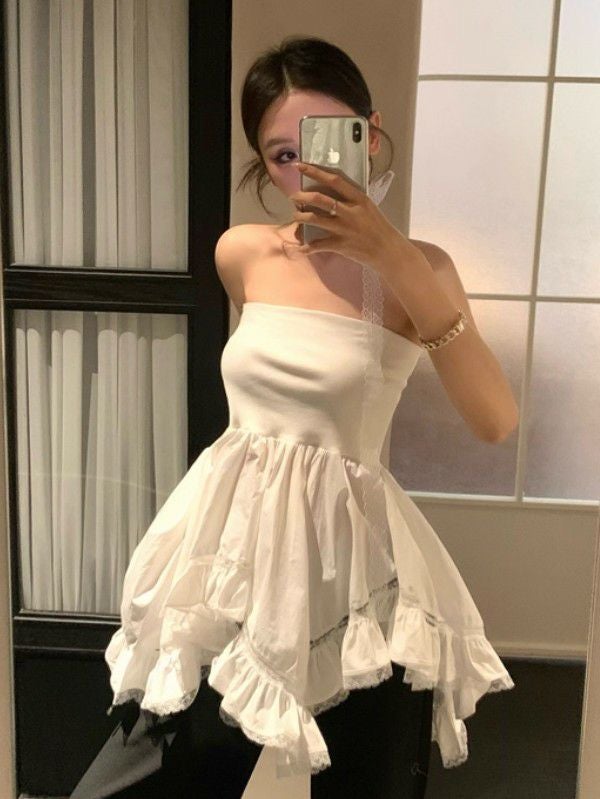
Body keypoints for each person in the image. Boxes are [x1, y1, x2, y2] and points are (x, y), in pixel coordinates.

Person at [70, 35, 517, 799]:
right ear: (261, 163)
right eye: (282, 155)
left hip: (357, 584)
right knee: (146, 772)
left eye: (325, 141)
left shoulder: (421, 270)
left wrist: (392, 256)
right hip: (232, 560)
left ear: (369, 135)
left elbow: (495, 420)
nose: (306, 170)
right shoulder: (243, 254)